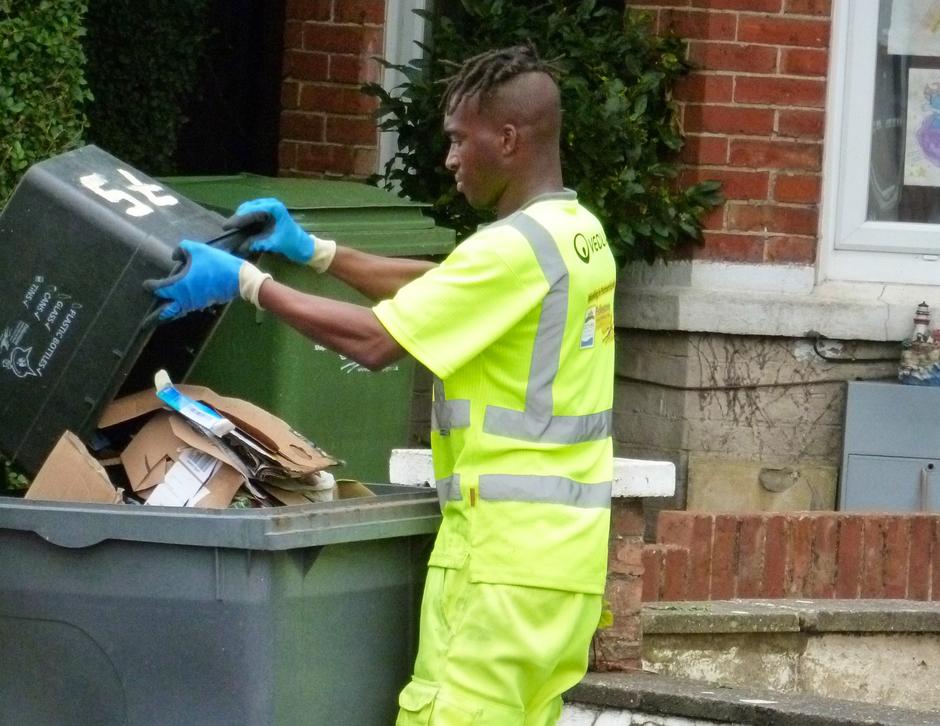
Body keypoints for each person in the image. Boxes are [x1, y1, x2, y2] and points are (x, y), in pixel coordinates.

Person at [148, 44, 616, 726]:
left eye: (460, 141)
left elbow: (375, 341)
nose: (451, 159)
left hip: (499, 564)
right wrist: (316, 252)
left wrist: (246, 284)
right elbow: (446, 289)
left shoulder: (512, 248)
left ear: (508, 139)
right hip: (562, 566)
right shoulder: (577, 234)